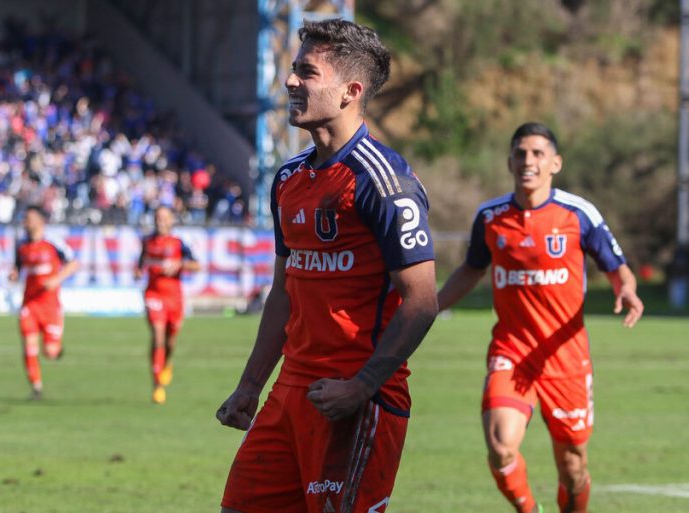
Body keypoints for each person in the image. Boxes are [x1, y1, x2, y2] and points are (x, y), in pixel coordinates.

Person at [216, 18, 438, 513]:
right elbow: (283, 292)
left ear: (349, 92)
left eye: (307, 73)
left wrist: (360, 386)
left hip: (354, 396)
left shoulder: (385, 182)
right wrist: (251, 385)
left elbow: (421, 302)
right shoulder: (288, 178)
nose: (291, 81)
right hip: (290, 391)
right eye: (294, 69)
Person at [437, 122, 644, 513]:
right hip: (512, 351)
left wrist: (627, 289)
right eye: (520, 153)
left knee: (573, 467)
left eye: (537, 154)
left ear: (555, 163)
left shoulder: (577, 214)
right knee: (500, 446)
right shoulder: (490, 216)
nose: (527, 161)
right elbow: (471, 269)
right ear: (509, 161)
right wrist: (430, 305)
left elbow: (617, 266)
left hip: (564, 358)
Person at [9, 205, 79, 399]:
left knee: (50, 352)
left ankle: (55, 348)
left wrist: (57, 279)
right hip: (29, 303)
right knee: (29, 346)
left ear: (40, 221)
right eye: (25, 219)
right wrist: (13, 274)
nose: (26, 223)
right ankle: (36, 387)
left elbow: (74, 263)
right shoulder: (21, 245)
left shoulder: (53, 242)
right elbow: (17, 267)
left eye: (29, 219)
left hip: (50, 305)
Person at [135, 205, 200, 404]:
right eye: (157, 218)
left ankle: (166, 362)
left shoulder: (180, 243)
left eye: (164, 218)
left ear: (172, 220)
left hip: (174, 297)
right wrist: (138, 272)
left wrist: (179, 264)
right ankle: (157, 385)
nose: (160, 221)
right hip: (153, 294)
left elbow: (197, 265)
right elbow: (140, 264)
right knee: (158, 334)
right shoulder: (147, 241)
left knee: (170, 341)